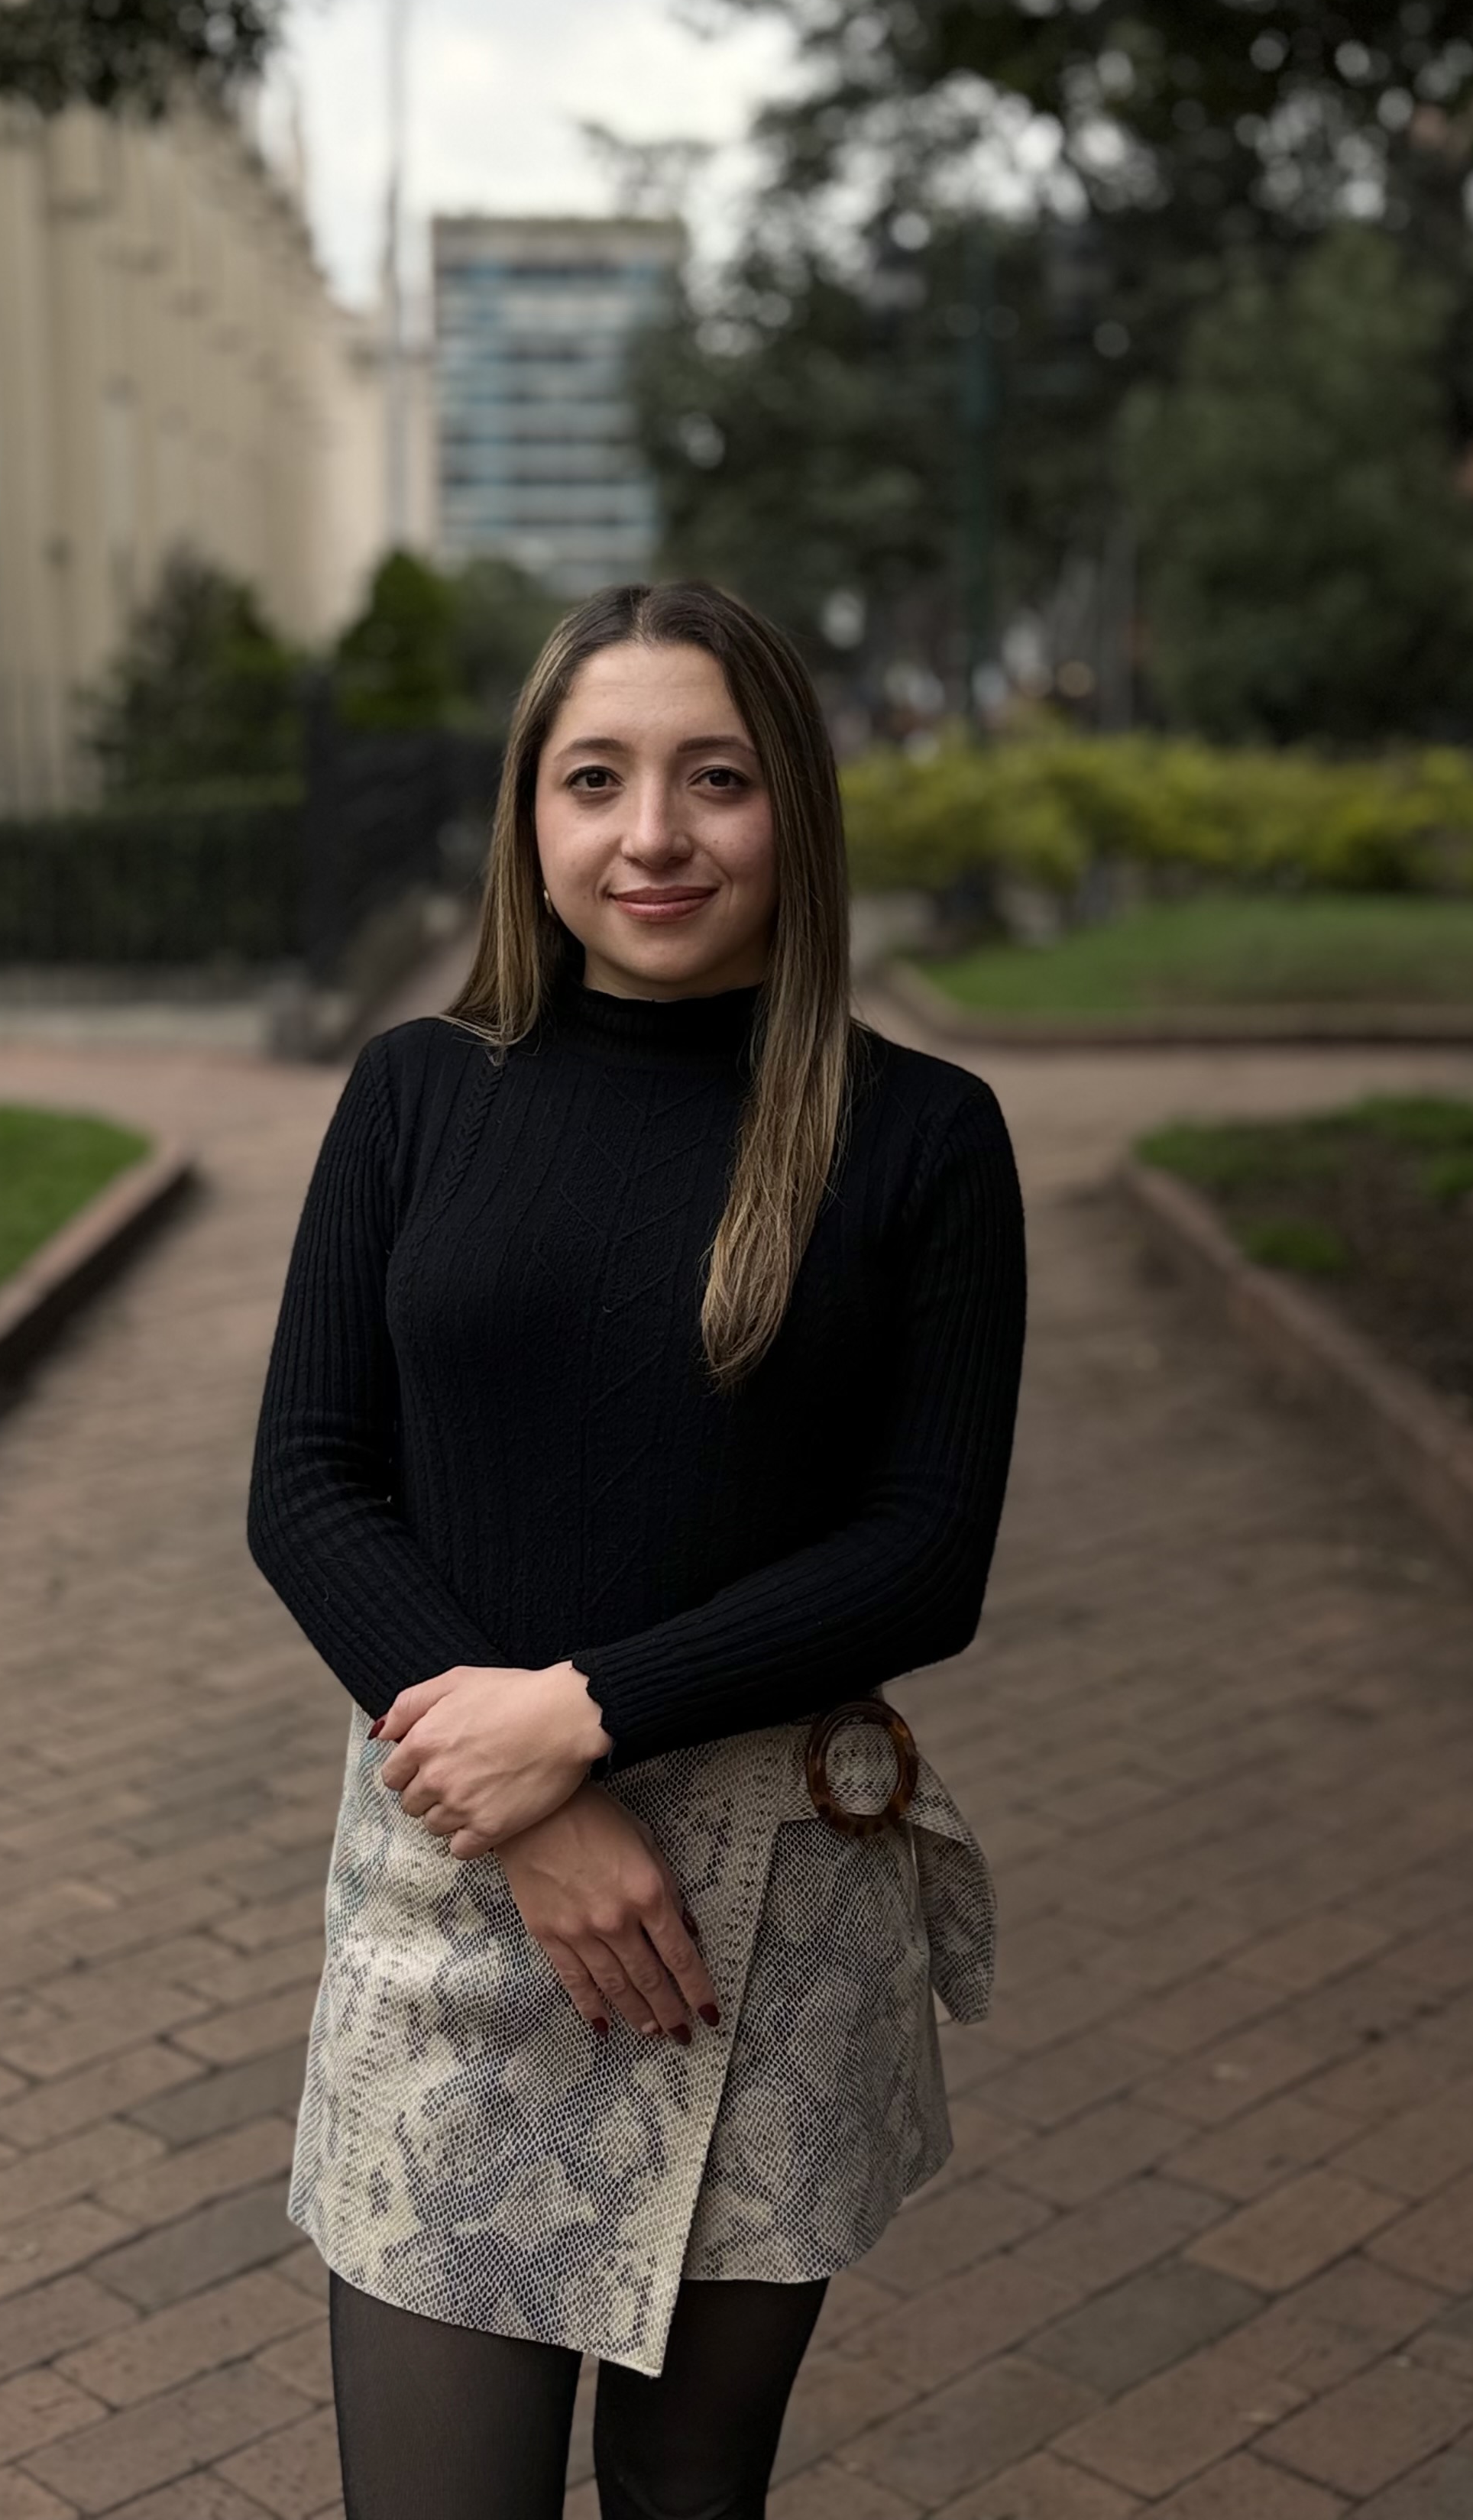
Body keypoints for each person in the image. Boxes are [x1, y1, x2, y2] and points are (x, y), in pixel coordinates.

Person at [248, 578, 1026, 2520]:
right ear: (532, 812)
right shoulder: (420, 1095)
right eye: (596, 777)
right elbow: (311, 1484)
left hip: (764, 1914)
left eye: (717, 779)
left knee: (694, 2493)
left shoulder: (920, 1135)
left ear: (798, 817)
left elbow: (924, 1551)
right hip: (457, 1874)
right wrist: (519, 1805)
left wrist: (583, 1718)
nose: (653, 834)